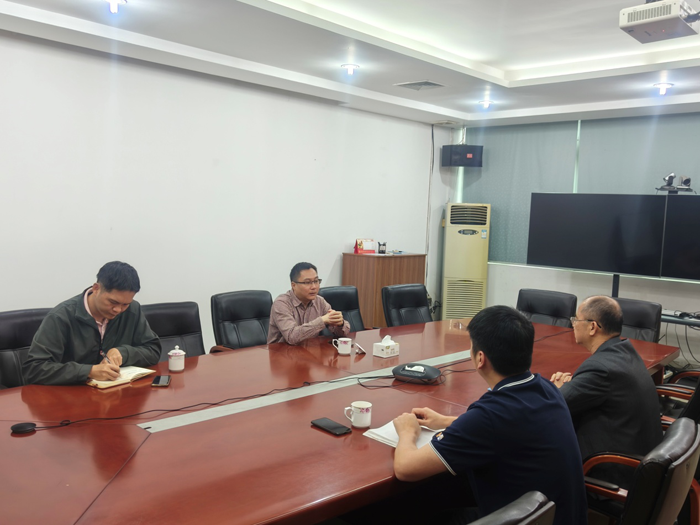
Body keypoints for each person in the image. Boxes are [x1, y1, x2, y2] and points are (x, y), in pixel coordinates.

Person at [392, 306, 587, 525]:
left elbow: (405, 469)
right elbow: (510, 427)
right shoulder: (547, 389)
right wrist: (445, 421)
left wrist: (407, 432)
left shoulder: (490, 415)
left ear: (480, 358)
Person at [551, 295, 662, 488]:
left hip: (613, 473)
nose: (573, 324)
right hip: (641, 461)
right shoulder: (625, 351)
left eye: (576, 319)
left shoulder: (601, 368)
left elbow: (556, 405)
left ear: (592, 327)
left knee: (542, 444)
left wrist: (558, 388)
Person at [23, 261, 161, 385]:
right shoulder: (61, 317)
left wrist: (123, 352)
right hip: (70, 397)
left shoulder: (132, 310)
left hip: (116, 394)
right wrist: (88, 371)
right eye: (113, 302)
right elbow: (34, 369)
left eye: (125, 304)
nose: (118, 310)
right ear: (96, 289)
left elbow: (153, 350)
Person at [267, 262, 350, 344]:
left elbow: (342, 333)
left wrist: (340, 324)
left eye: (316, 281)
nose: (314, 287)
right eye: (307, 282)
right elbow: (292, 336)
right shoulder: (281, 303)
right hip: (280, 351)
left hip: (308, 350)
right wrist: (321, 321)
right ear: (293, 285)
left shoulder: (320, 301)